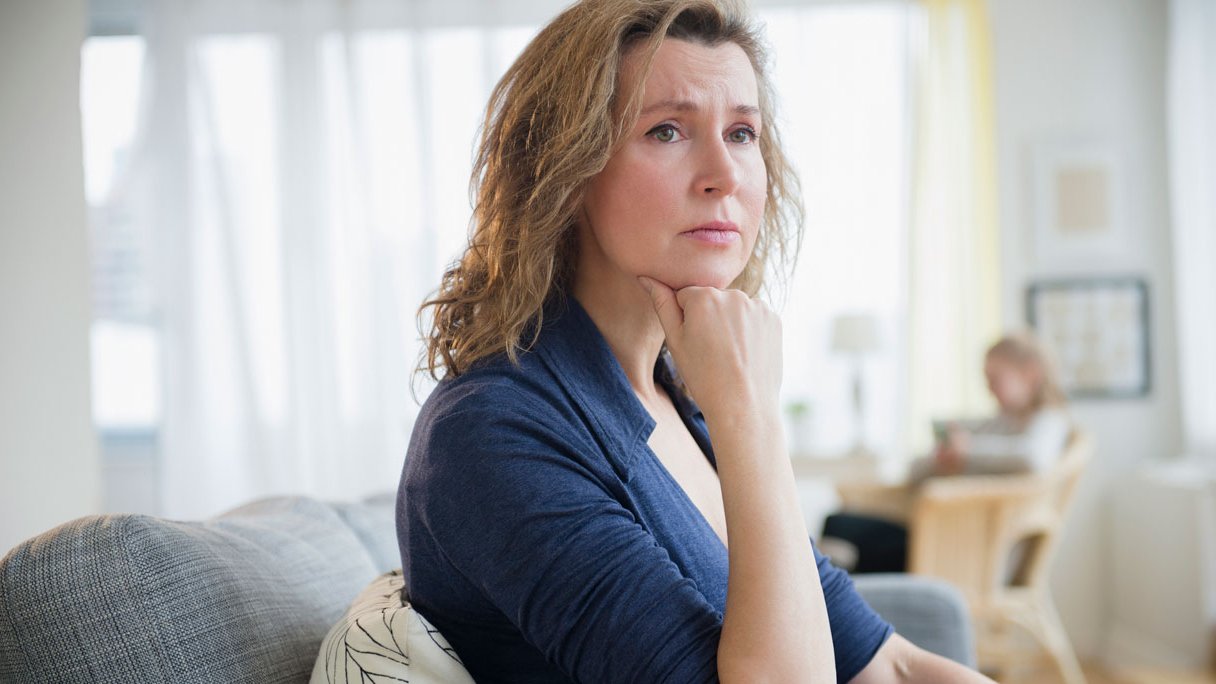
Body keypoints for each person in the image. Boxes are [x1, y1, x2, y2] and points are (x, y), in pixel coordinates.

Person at [397, 1, 993, 681]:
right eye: (668, 130)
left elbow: (891, 667)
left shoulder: (684, 397)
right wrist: (751, 414)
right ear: (565, 171)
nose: (726, 174)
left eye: (742, 133)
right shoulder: (492, 432)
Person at [821, 331, 1073, 574]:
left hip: (963, 551)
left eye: (995, 379)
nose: (989, 388)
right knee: (838, 525)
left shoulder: (1048, 420)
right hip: (943, 534)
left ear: (1030, 373)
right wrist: (942, 459)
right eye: (986, 380)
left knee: (841, 531)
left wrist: (967, 451)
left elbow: (1032, 458)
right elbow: (914, 473)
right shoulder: (997, 423)